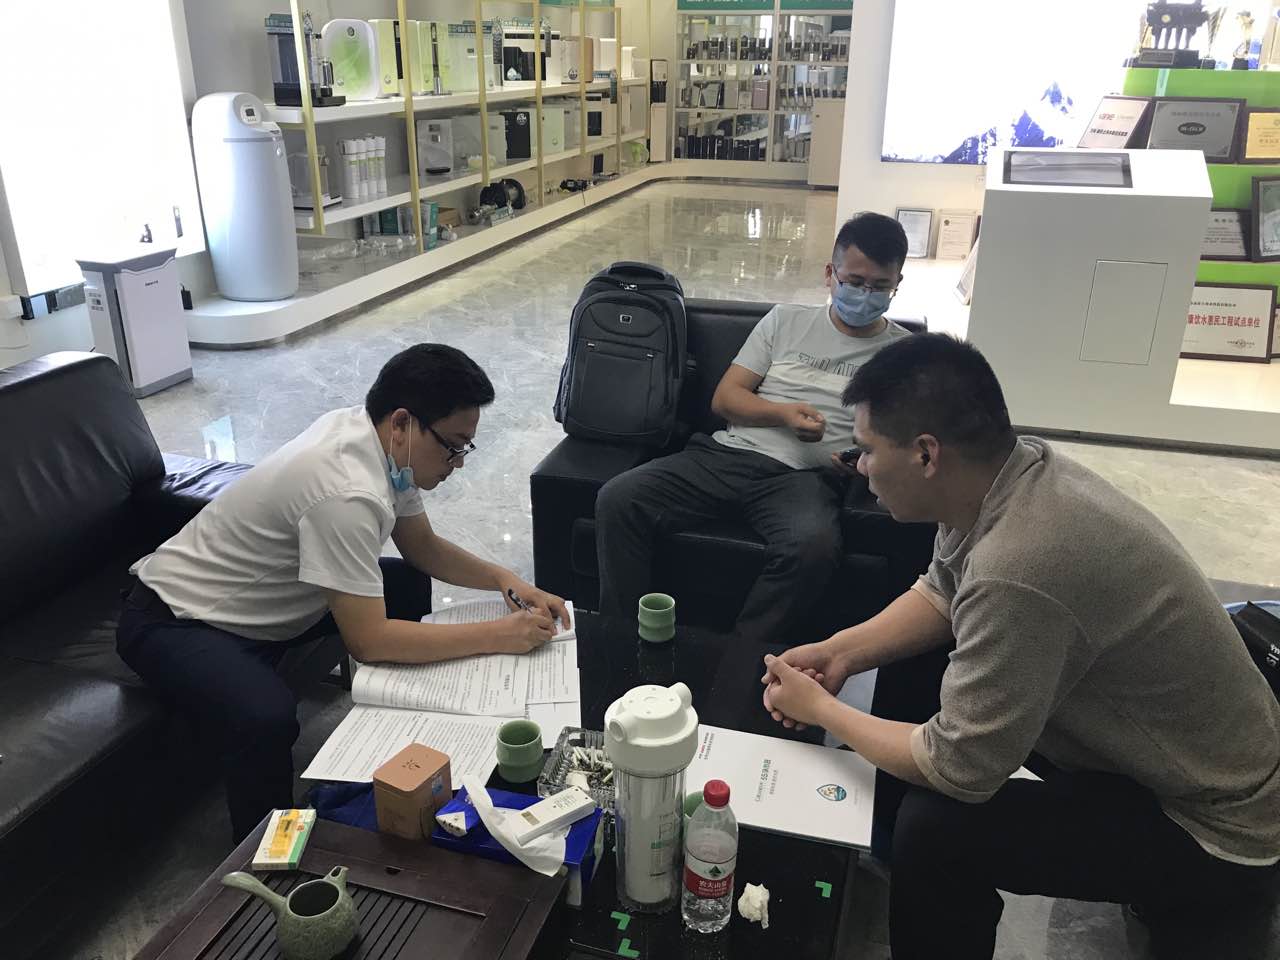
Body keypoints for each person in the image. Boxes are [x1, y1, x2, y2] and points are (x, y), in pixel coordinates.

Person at [760, 334, 1280, 960]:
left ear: (926, 454)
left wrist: (823, 709)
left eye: (868, 450)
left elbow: (959, 769)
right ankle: (888, 851)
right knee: (925, 667)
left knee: (936, 829)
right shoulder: (1007, 477)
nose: (860, 465)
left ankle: (917, 868)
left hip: (1215, 826)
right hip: (1160, 750)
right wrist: (841, 652)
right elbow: (944, 589)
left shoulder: (1020, 565)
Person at [117, 343, 570, 840]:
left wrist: (507, 579)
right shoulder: (346, 490)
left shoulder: (382, 444)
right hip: (179, 619)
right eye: (453, 446)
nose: (458, 463)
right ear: (403, 423)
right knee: (265, 716)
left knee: (405, 580)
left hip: (272, 602)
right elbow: (368, 641)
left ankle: (405, 720)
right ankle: (264, 854)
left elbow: (422, 547)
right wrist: (500, 634)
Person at [594, 212, 912, 642]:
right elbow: (726, 398)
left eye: (879, 287)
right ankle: (621, 640)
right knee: (618, 499)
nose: (865, 295)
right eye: (854, 282)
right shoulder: (785, 321)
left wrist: (862, 461)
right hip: (726, 456)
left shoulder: (902, 355)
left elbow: (899, 440)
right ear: (830, 274)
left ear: (897, 284)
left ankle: (737, 658)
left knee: (812, 548)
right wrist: (782, 414)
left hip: (804, 480)